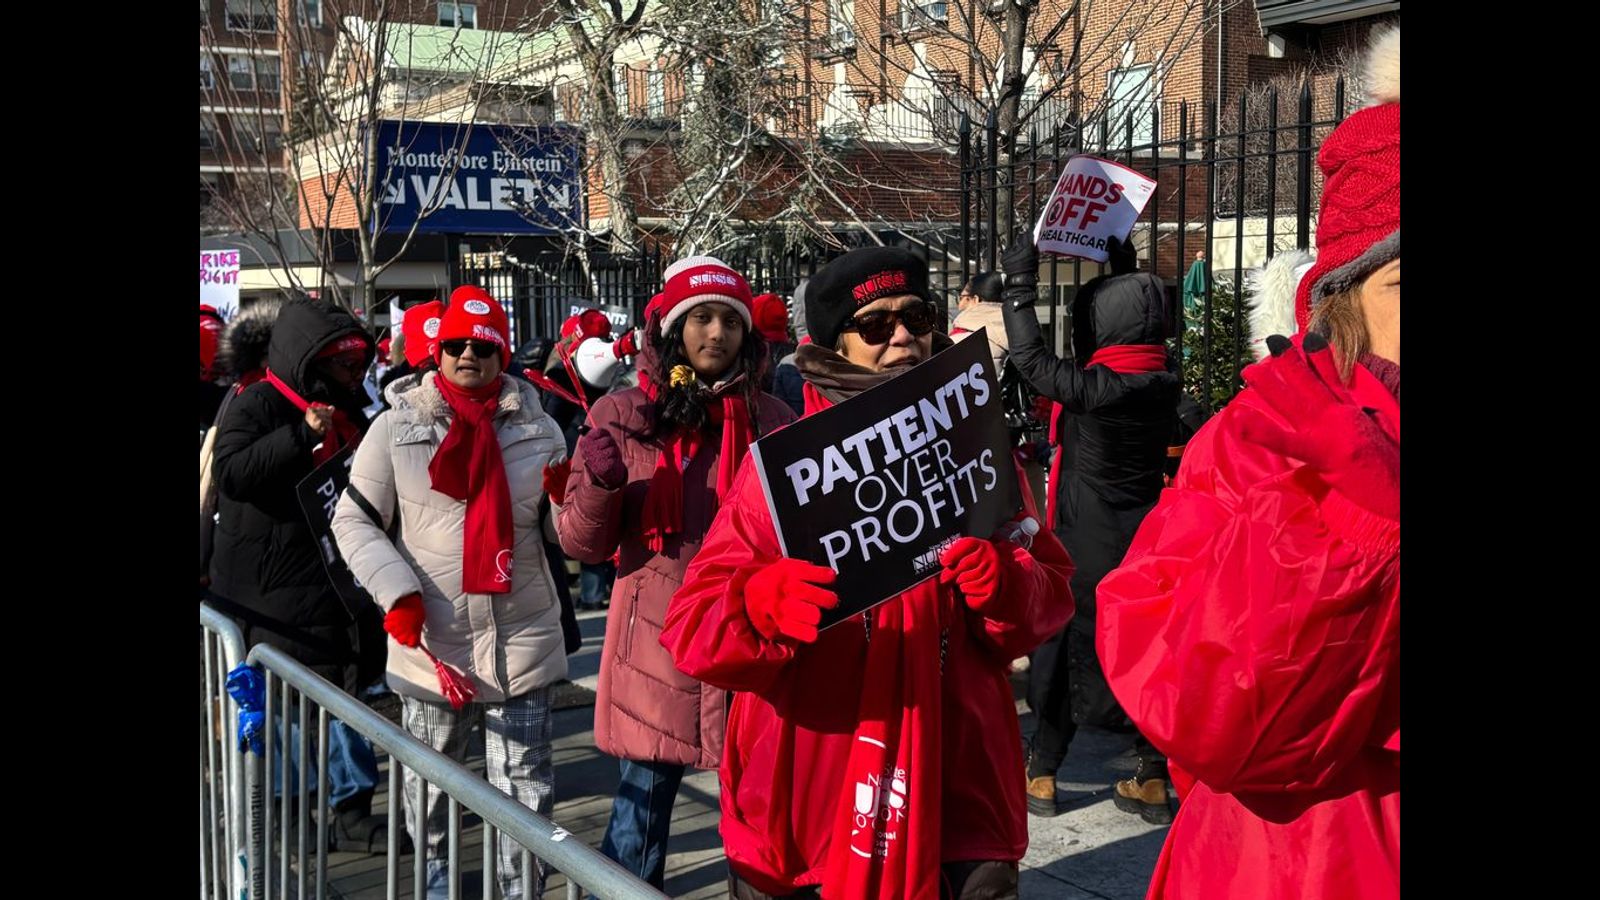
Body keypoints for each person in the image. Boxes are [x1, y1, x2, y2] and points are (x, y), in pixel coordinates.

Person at [661, 246, 1075, 899]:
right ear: (834, 347)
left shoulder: (977, 449)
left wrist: (1005, 584)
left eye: (917, 316)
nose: (904, 335)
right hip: (810, 802)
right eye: (876, 325)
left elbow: (1049, 592)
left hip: (959, 796)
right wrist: (759, 603)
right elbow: (693, 627)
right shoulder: (782, 470)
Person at [1096, 26, 1399, 899]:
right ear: (1340, 298)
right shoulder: (1265, 435)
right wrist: (1351, 535)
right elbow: (1210, 721)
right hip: (1309, 862)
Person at [556, 257, 796, 889]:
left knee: (760, 816)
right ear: (672, 329)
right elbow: (583, 543)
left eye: (730, 322)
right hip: (656, 642)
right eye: (700, 318)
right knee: (640, 819)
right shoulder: (625, 412)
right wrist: (602, 485)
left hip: (750, 634)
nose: (715, 334)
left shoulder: (774, 420)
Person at [331, 286, 571, 899]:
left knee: (524, 801)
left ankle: (522, 894)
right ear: (436, 351)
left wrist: (576, 502)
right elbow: (353, 519)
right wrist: (397, 593)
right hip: (432, 651)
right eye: (457, 344)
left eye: (484, 344)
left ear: (502, 353)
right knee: (429, 795)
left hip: (521, 646)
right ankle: (437, 889)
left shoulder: (543, 430)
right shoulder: (392, 428)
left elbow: (562, 539)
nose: (470, 355)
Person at [1000, 232, 1183, 822]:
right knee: (1150, 653)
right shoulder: (1163, 383)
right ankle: (1153, 775)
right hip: (1147, 543)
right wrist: (1123, 270)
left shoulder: (1096, 389)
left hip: (1085, 541)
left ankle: (1045, 771)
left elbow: (1030, 362)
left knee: (1060, 649)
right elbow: (1135, 332)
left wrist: (1020, 289)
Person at [207, 296, 394, 853]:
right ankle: (292, 816)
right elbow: (233, 473)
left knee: (349, 697)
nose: (354, 375)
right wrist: (299, 437)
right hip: (273, 592)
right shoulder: (256, 402)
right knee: (289, 711)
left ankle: (353, 810)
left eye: (359, 365)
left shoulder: (352, 411)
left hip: (339, 584)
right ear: (308, 359)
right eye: (343, 364)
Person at [949, 271, 1009, 377]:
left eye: (962, 297)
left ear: (975, 299)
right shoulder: (1024, 332)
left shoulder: (957, 341)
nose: (959, 305)